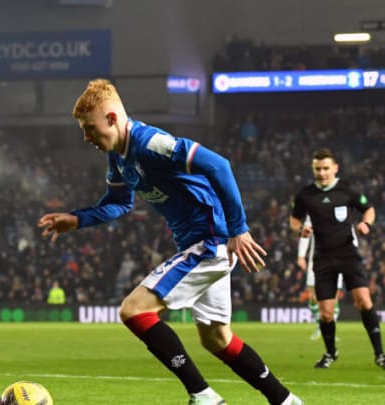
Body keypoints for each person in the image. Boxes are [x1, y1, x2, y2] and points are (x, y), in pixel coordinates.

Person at [37, 79, 302, 405]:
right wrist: (78, 220)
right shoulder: (119, 157)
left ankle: (204, 396)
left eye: (89, 128)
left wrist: (239, 229)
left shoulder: (151, 144)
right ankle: (286, 401)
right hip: (201, 244)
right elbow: (119, 202)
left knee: (134, 311)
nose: (85, 137)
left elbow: (218, 165)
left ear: (111, 118)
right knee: (218, 340)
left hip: (210, 242)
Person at [289, 148, 384, 370]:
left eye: (325, 168)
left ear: (335, 168)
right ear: (313, 169)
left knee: (363, 301)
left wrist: (365, 224)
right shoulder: (305, 195)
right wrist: (299, 230)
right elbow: (294, 220)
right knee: (326, 312)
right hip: (323, 259)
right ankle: (331, 353)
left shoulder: (347, 190)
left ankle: (380, 354)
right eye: (317, 169)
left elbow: (368, 209)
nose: (321, 173)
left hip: (348, 254)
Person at [295, 215, 342, 340]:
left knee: (334, 297)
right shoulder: (314, 211)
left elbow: (352, 235)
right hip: (316, 261)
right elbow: (305, 235)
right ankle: (320, 326)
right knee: (313, 297)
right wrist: (301, 256)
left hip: (337, 260)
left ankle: (331, 330)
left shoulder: (342, 208)